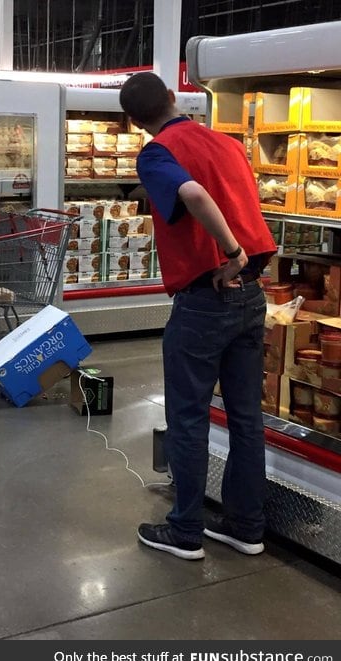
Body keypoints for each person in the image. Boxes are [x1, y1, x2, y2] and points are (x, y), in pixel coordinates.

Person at [119, 72, 277, 560]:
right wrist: (245, 258)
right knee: (246, 418)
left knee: (188, 417)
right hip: (252, 299)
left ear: (134, 121)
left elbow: (193, 195)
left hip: (207, 298)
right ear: (172, 97)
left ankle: (185, 531)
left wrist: (230, 250)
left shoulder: (156, 153)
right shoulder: (228, 145)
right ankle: (246, 526)